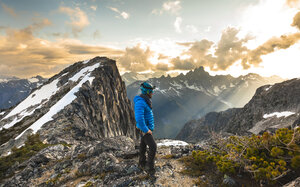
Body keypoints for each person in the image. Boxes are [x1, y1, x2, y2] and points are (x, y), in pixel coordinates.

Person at [134, 82, 157, 175]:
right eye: (151, 91)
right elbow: (139, 118)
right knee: (153, 147)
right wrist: (146, 130)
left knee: (143, 146)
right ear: (147, 92)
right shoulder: (141, 102)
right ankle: (149, 167)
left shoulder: (145, 100)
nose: (153, 93)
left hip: (145, 128)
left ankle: (142, 163)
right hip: (145, 129)